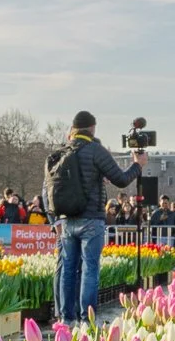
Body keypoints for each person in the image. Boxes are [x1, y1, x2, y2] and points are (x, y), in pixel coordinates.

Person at [46, 111, 146, 324]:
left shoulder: (59, 153)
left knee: (68, 269)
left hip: (67, 219)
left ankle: (66, 318)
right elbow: (121, 180)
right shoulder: (95, 151)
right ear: (92, 128)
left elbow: (48, 188)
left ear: (73, 128)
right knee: (90, 268)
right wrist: (138, 165)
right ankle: (87, 319)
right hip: (91, 218)